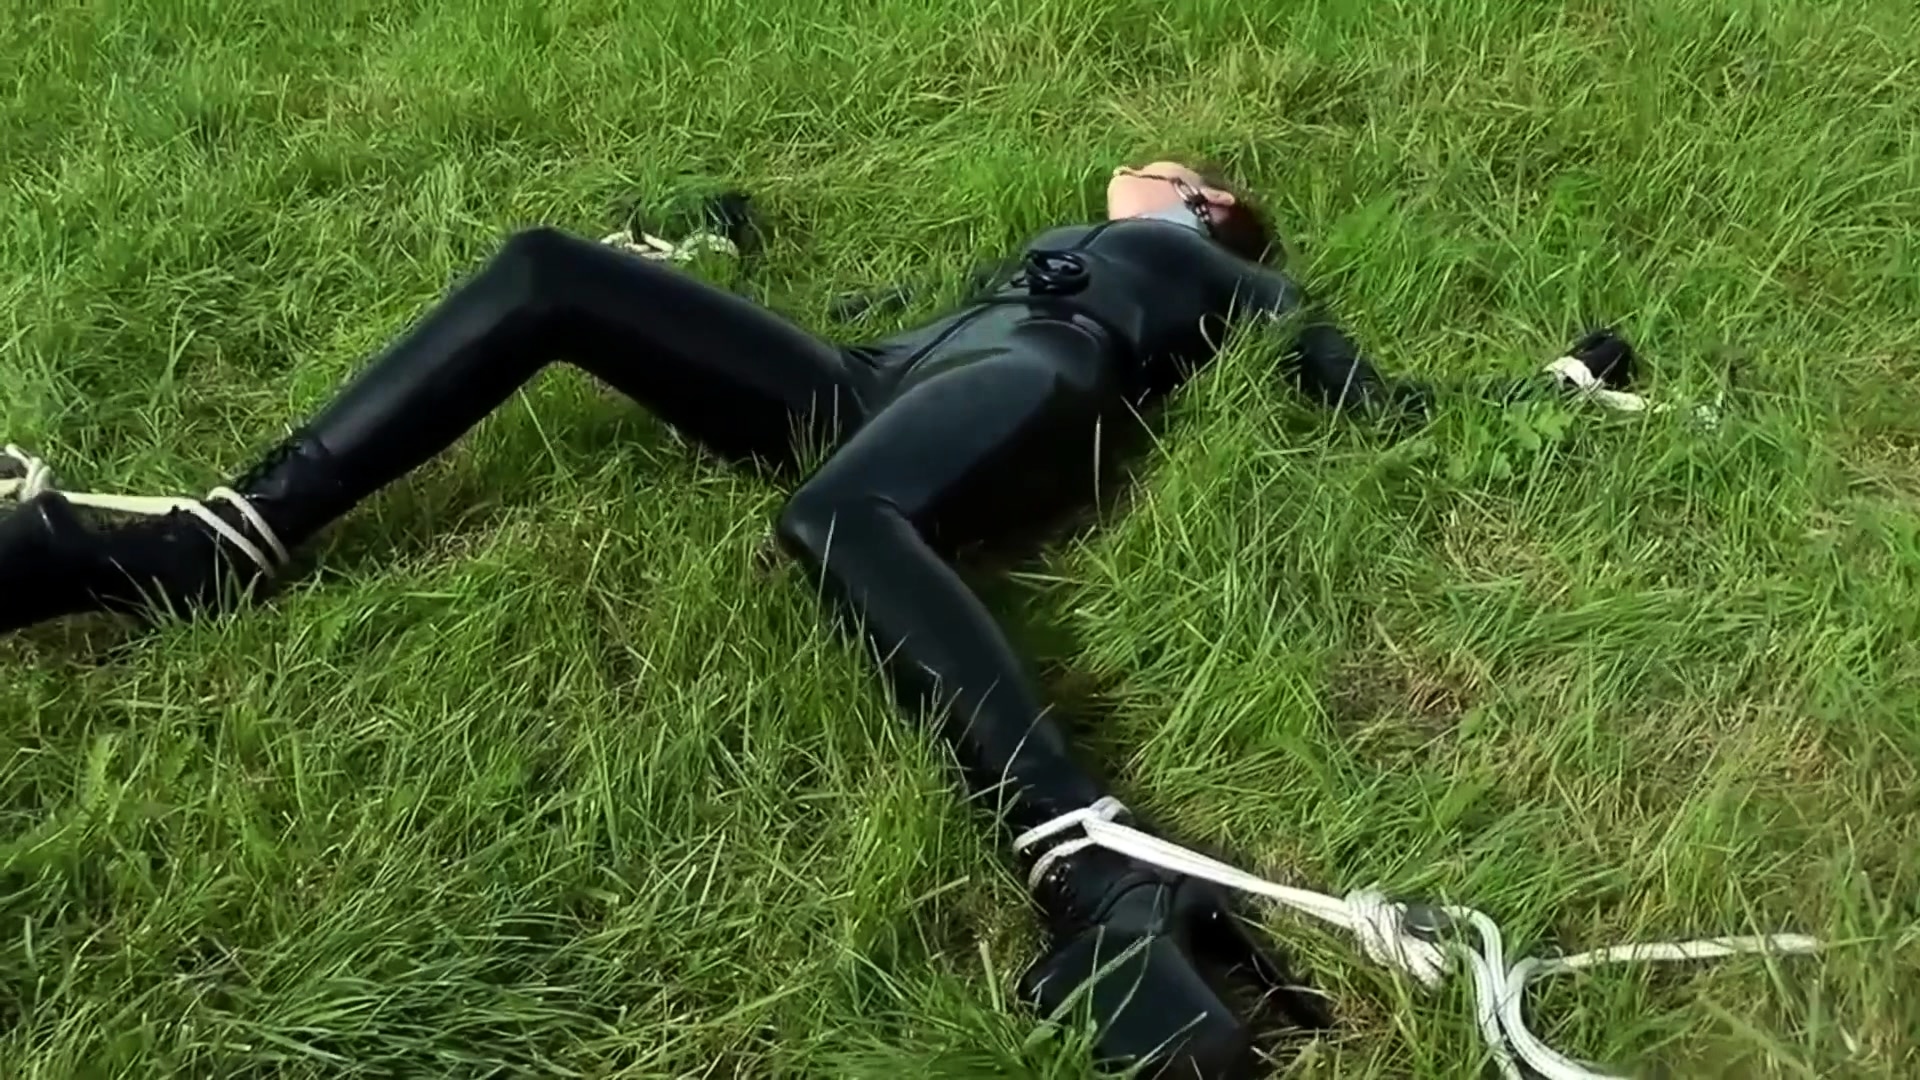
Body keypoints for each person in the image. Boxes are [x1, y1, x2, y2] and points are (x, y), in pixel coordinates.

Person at [0, 161, 1630, 1078]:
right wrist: (703, 253)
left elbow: (1377, 403)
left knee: (841, 514)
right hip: (876, 376)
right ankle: (216, 544)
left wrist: (1552, 390)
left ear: (1200, 204)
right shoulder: (1048, 237)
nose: (1139, 162)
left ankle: (1090, 858)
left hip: (1033, 385)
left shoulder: (1223, 277)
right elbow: (875, 333)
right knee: (550, 269)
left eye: (1170, 169)